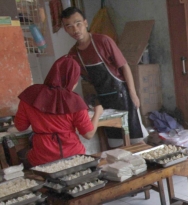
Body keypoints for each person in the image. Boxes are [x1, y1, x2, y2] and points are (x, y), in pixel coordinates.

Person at [61, 6, 147, 148]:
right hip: (103, 100)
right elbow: (73, 81)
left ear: (86, 23)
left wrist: (133, 93)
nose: (75, 30)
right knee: (116, 144)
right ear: (65, 29)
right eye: (69, 26)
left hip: (122, 96)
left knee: (136, 141)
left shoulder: (103, 41)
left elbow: (124, 66)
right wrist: (64, 98)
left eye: (78, 24)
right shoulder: (73, 54)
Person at [14, 56, 103, 167]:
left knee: (23, 155)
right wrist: (97, 113)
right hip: (74, 157)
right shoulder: (74, 101)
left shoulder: (30, 95)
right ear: (72, 79)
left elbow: (20, 126)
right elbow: (88, 134)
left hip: (42, 158)